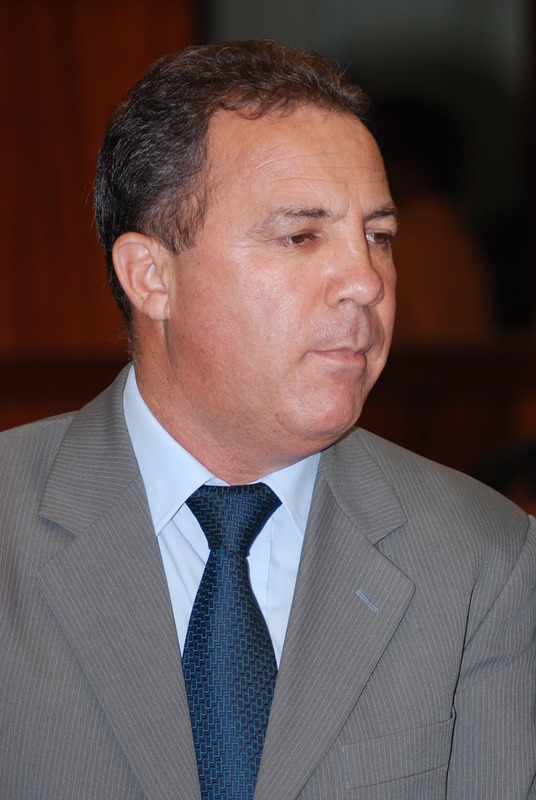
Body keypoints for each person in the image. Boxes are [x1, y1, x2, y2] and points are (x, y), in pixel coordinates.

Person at [0, 40, 534, 800]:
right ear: (151, 276)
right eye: (300, 236)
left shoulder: (484, 559)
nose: (366, 281)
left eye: (379, 236)